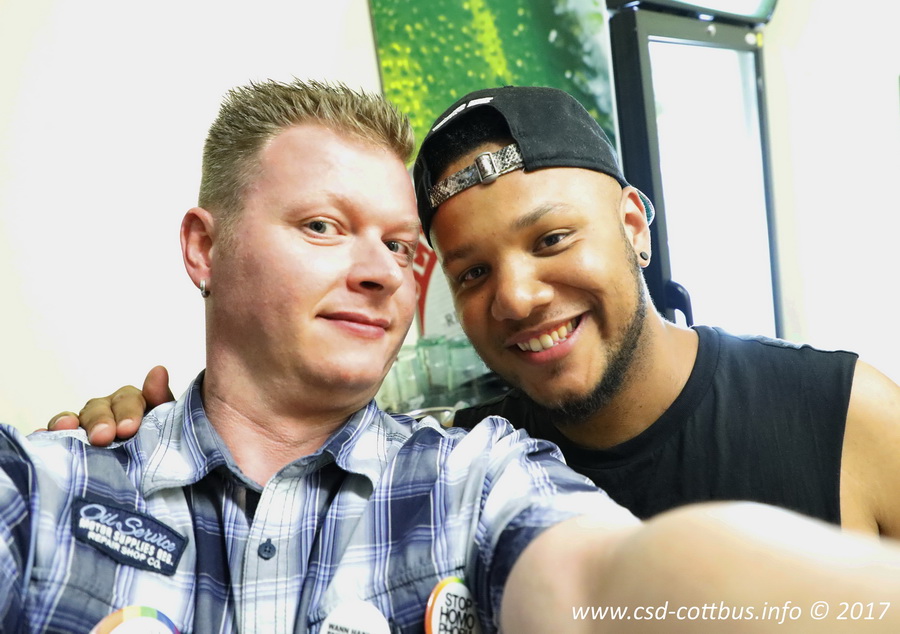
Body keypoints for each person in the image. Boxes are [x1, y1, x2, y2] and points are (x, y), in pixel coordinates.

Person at [9, 80, 900, 633]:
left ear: (634, 225)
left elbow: (603, 583)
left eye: (400, 247)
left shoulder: (478, 477)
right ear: (204, 249)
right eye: (322, 226)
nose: (517, 298)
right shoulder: (47, 488)